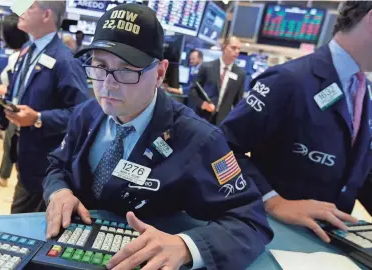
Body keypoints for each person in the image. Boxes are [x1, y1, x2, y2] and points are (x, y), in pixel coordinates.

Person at [43, 4, 272, 270]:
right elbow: (58, 164)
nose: (108, 83)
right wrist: (59, 191)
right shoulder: (86, 113)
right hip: (72, 252)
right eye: (100, 65)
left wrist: (187, 245)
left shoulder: (198, 139)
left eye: (127, 70)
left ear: (160, 73)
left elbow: (250, 222)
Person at [220, 1, 372, 243]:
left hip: (330, 241)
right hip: (271, 238)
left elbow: (358, 170)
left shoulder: (363, 92)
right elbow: (220, 149)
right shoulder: (288, 80)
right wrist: (272, 200)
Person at [0, 0, 88, 213]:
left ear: (46, 15)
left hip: (47, 166)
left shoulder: (65, 61)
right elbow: (14, 97)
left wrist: (39, 118)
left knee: (27, 224)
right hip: (24, 156)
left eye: (28, 7)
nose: (19, 11)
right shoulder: (27, 50)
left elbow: (81, 114)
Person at [0, 14, 29, 187]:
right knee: (10, 145)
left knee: (14, 147)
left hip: (18, 112)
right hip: (13, 111)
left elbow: (15, 90)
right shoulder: (21, 56)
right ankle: (5, 177)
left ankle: (13, 181)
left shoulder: (18, 58)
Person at [188, 36, 246, 126]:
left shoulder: (240, 74)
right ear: (224, 47)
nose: (237, 51)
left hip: (222, 122)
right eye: (233, 48)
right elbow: (193, 90)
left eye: (239, 49)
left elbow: (238, 102)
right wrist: (202, 104)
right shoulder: (207, 67)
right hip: (203, 117)